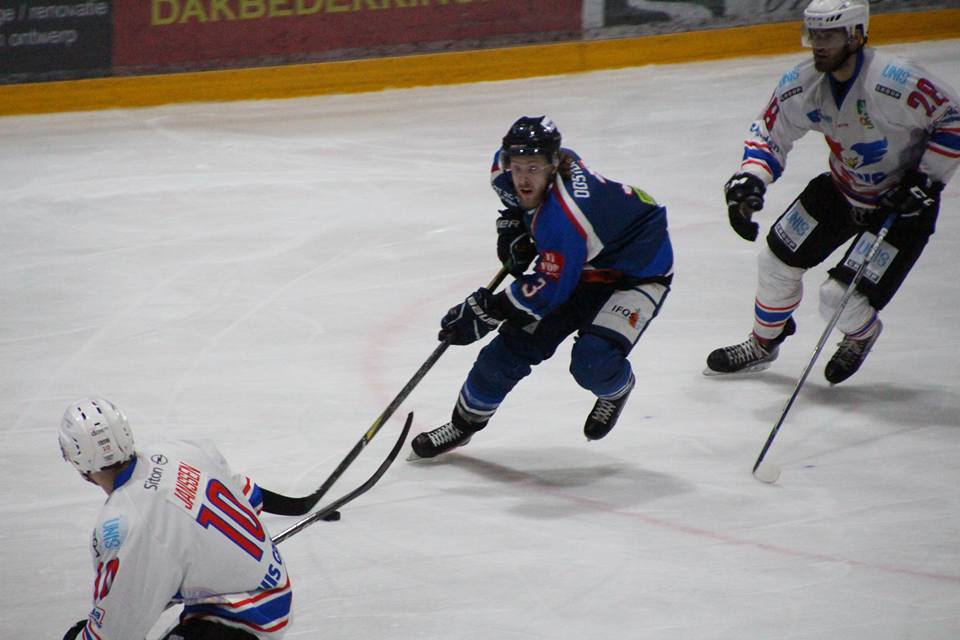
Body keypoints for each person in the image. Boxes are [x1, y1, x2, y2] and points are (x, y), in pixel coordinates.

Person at [706, 0, 959, 383]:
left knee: (836, 298)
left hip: (900, 207)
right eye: (815, 35)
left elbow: (952, 120)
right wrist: (750, 178)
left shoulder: (894, 81)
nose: (819, 44)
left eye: (830, 35)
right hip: (841, 191)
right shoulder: (803, 83)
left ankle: (862, 335)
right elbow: (770, 132)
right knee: (774, 265)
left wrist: (926, 179)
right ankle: (763, 343)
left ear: (857, 35)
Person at [410, 116, 673, 458]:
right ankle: (463, 425)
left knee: (592, 361)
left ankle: (616, 390)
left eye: (533, 168)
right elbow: (517, 209)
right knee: (507, 352)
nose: (522, 177)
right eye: (517, 167)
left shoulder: (567, 216)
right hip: (578, 265)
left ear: (553, 166)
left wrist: (489, 311)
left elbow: (551, 287)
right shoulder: (505, 175)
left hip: (634, 272)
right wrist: (513, 228)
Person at [59, 396, 300, 640]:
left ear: (79, 464)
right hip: (272, 591)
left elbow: (119, 628)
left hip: (240, 620)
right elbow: (248, 495)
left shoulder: (124, 524)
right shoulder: (178, 450)